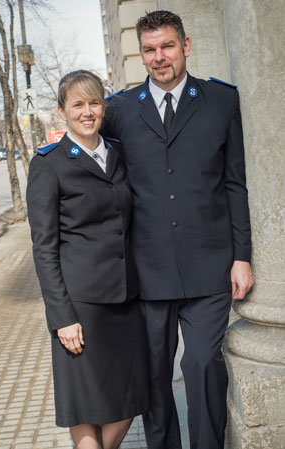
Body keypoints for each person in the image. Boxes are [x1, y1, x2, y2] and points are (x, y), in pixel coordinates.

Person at [101, 9, 254, 449]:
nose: (158, 57)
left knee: (204, 363)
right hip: (147, 269)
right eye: (149, 49)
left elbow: (235, 183)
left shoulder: (222, 101)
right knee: (153, 371)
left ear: (185, 46)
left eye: (167, 46)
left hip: (210, 265)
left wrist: (241, 255)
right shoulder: (119, 110)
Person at [26, 70, 149, 449]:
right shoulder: (49, 164)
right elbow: (44, 249)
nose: (87, 111)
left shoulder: (117, 152)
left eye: (94, 102)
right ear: (63, 111)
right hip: (81, 307)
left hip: (126, 303)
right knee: (85, 407)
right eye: (77, 104)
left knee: (130, 399)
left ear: (104, 107)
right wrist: (63, 318)